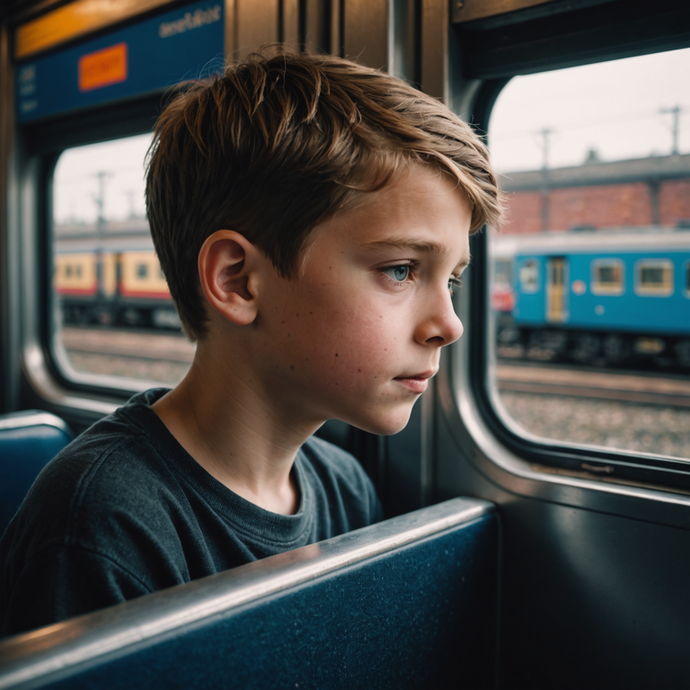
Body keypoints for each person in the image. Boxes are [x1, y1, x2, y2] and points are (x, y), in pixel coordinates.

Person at [0, 50, 502, 637]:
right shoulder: (102, 525)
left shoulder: (345, 485)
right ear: (237, 280)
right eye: (400, 270)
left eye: (453, 280)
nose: (449, 324)